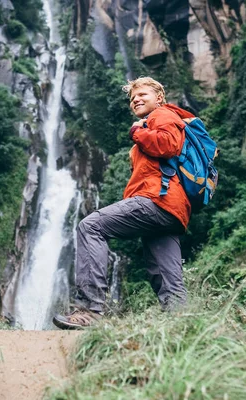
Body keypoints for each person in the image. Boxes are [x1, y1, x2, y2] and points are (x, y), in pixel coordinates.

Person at [53, 77, 196, 330]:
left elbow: (168, 145)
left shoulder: (162, 115)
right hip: (171, 210)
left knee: (91, 227)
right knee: (165, 277)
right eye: (132, 98)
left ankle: (90, 310)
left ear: (159, 98)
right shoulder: (158, 120)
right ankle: (183, 328)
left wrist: (137, 131)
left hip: (156, 200)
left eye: (142, 94)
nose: (136, 100)